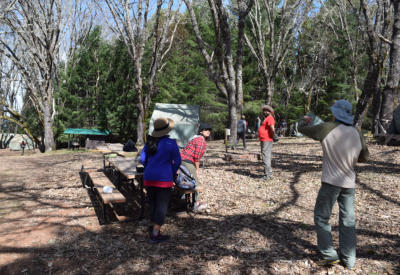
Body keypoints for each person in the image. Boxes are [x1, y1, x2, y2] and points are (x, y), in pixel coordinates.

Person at [298, 99, 369, 269]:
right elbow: (364, 157)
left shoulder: (326, 128)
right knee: (348, 220)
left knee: (322, 217)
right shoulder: (356, 132)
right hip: (349, 183)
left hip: (331, 181)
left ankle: (329, 255)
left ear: (335, 113)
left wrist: (304, 119)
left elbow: (302, 129)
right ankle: (349, 260)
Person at [140, 117, 181, 244]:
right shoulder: (171, 143)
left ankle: (153, 228)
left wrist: (150, 168)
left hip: (148, 178)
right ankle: (154, 235)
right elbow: (178, 161)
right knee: (161, 208)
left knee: (153, 204)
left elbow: (142, 159)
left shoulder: (150, 143)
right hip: (164, 179)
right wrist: (172, 170)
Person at [180, 122, 212, 211]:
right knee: (196, 182)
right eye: (206, 130)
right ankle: (196, 203)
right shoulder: (201, 140)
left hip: (182, 161)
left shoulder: (194, 138)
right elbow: (196, 157)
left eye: (209, 130)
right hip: (188, 162)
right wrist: (197, 169)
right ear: (201, 131)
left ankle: (183, 201)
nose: (208, 131)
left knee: (185, 181)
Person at [258, 105, 275, 180]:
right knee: (266, 156)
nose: (265, 112)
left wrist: (273, 136)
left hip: (267, 140)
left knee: (265, 157)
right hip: (264, 139)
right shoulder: (266, 118)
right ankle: (269, 174)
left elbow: (272, 129)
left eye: (267, 110)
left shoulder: (270, 118)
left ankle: (267, 175)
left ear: (270, 111)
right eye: (264, 110)